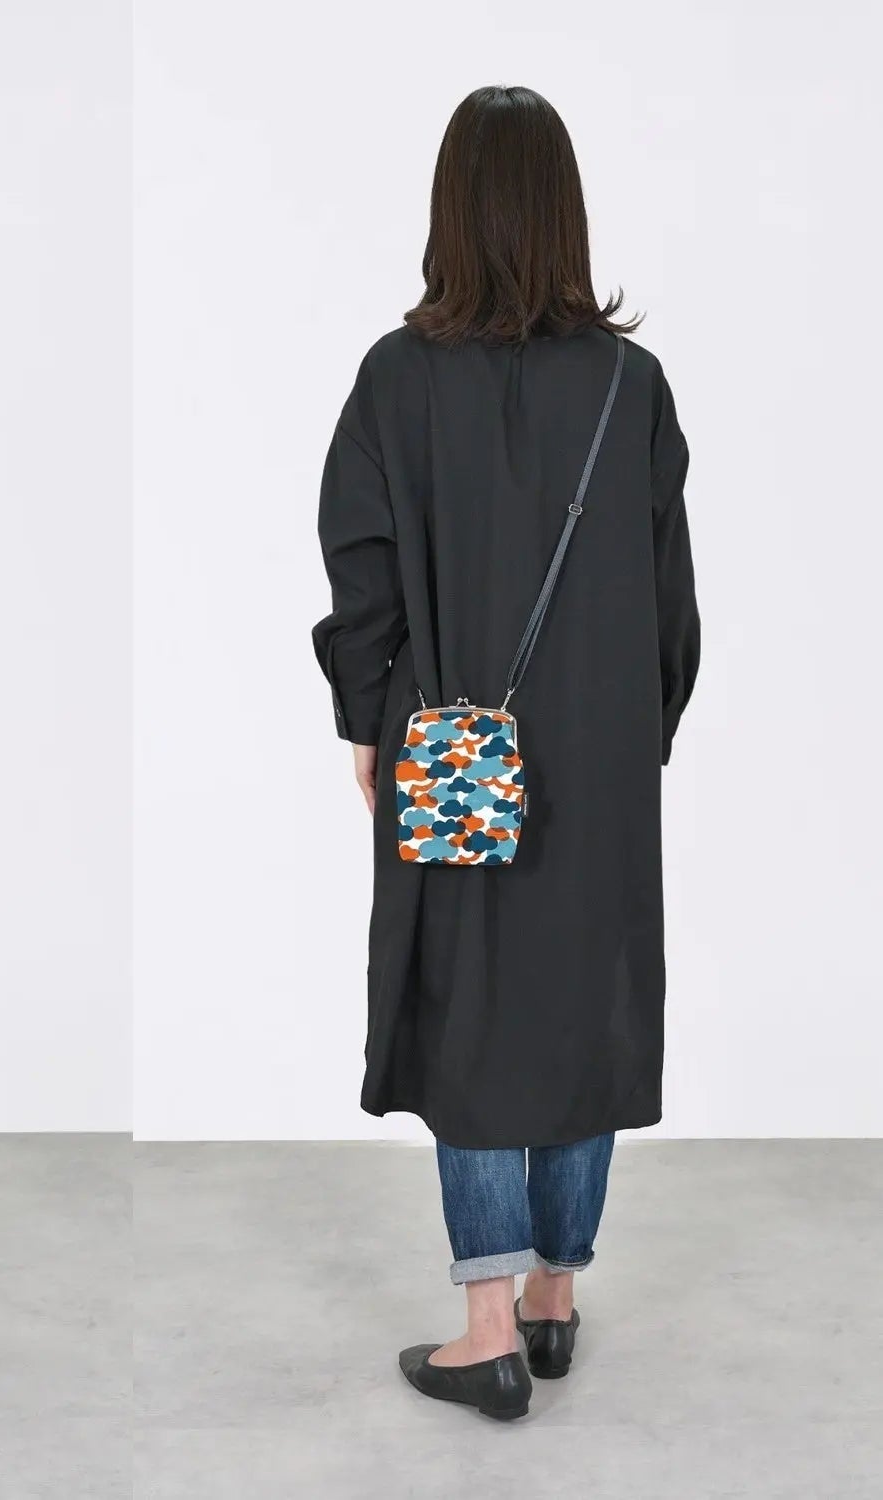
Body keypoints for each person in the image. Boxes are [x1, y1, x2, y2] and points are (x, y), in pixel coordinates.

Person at [312, 85, 699, 1421]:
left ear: (451, 211)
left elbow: (361, 572)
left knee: (468, 1006)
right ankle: (552, 1297)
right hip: (599, 758)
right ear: (565, 213)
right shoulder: (633, 388)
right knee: (586, 1005)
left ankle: (485, 1328)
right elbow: (671, 604)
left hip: (452, 747)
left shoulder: (398, 379)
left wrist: (369, 720)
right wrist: (633, 733)